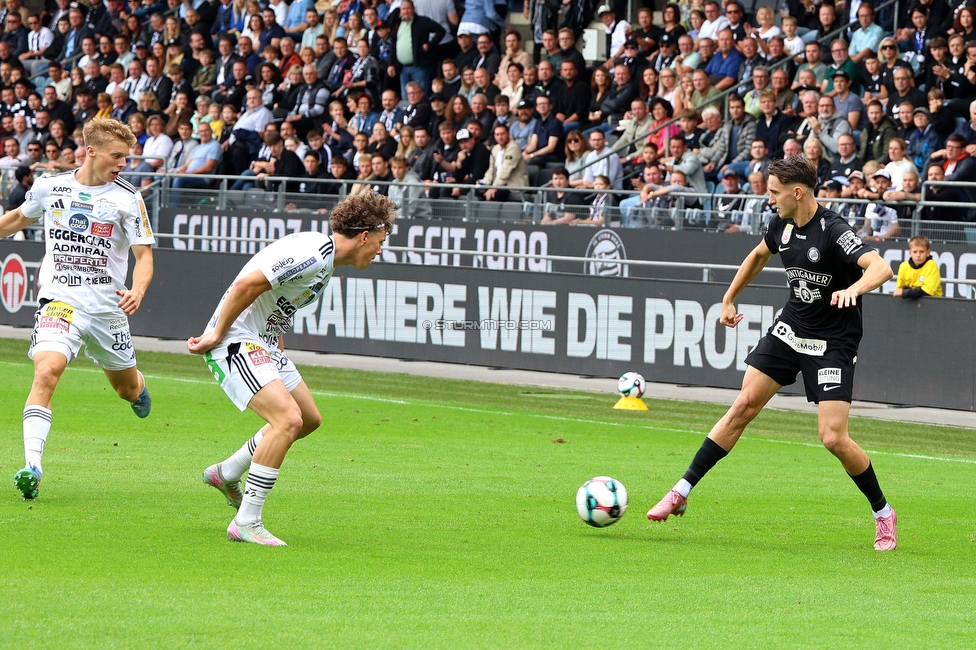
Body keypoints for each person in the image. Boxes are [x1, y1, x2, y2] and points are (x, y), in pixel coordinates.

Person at [646, 156, 898, 552]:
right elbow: (758, 256)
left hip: (832, 341)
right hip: (791, 329)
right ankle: (680, 491)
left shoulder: (834, 231)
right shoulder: (780, 224)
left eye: (774, 192)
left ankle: (883, 514)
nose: (769, 199)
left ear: (797, 192)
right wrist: (728, 298)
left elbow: (881, 268)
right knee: (743, 405)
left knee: (832, 437)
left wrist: (854, 289)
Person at [190, 193, 396, 546]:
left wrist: (276, 344)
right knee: (287, 420)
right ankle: (247, 521)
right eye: (379, 241)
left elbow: (277, 299)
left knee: (308, 418)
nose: (379, 250)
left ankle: (226, 473)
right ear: (364, 236)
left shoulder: (324, 260)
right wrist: (216, 335)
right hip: (237, 338)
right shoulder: (312, 255)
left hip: (265, 342)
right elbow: (246, 285)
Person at [0, 117, 155, 501]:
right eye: (117, 156)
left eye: (126, 157)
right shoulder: (50, 187)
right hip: (60, 302)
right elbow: (19, 218)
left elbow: (144, 254)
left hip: (107, 310)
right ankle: (32, 466)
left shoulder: (127, 198)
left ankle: (138, 388)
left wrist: (137, 288)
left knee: (125, 388)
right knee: (47, 372)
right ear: (91, 151)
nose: (123, 163)